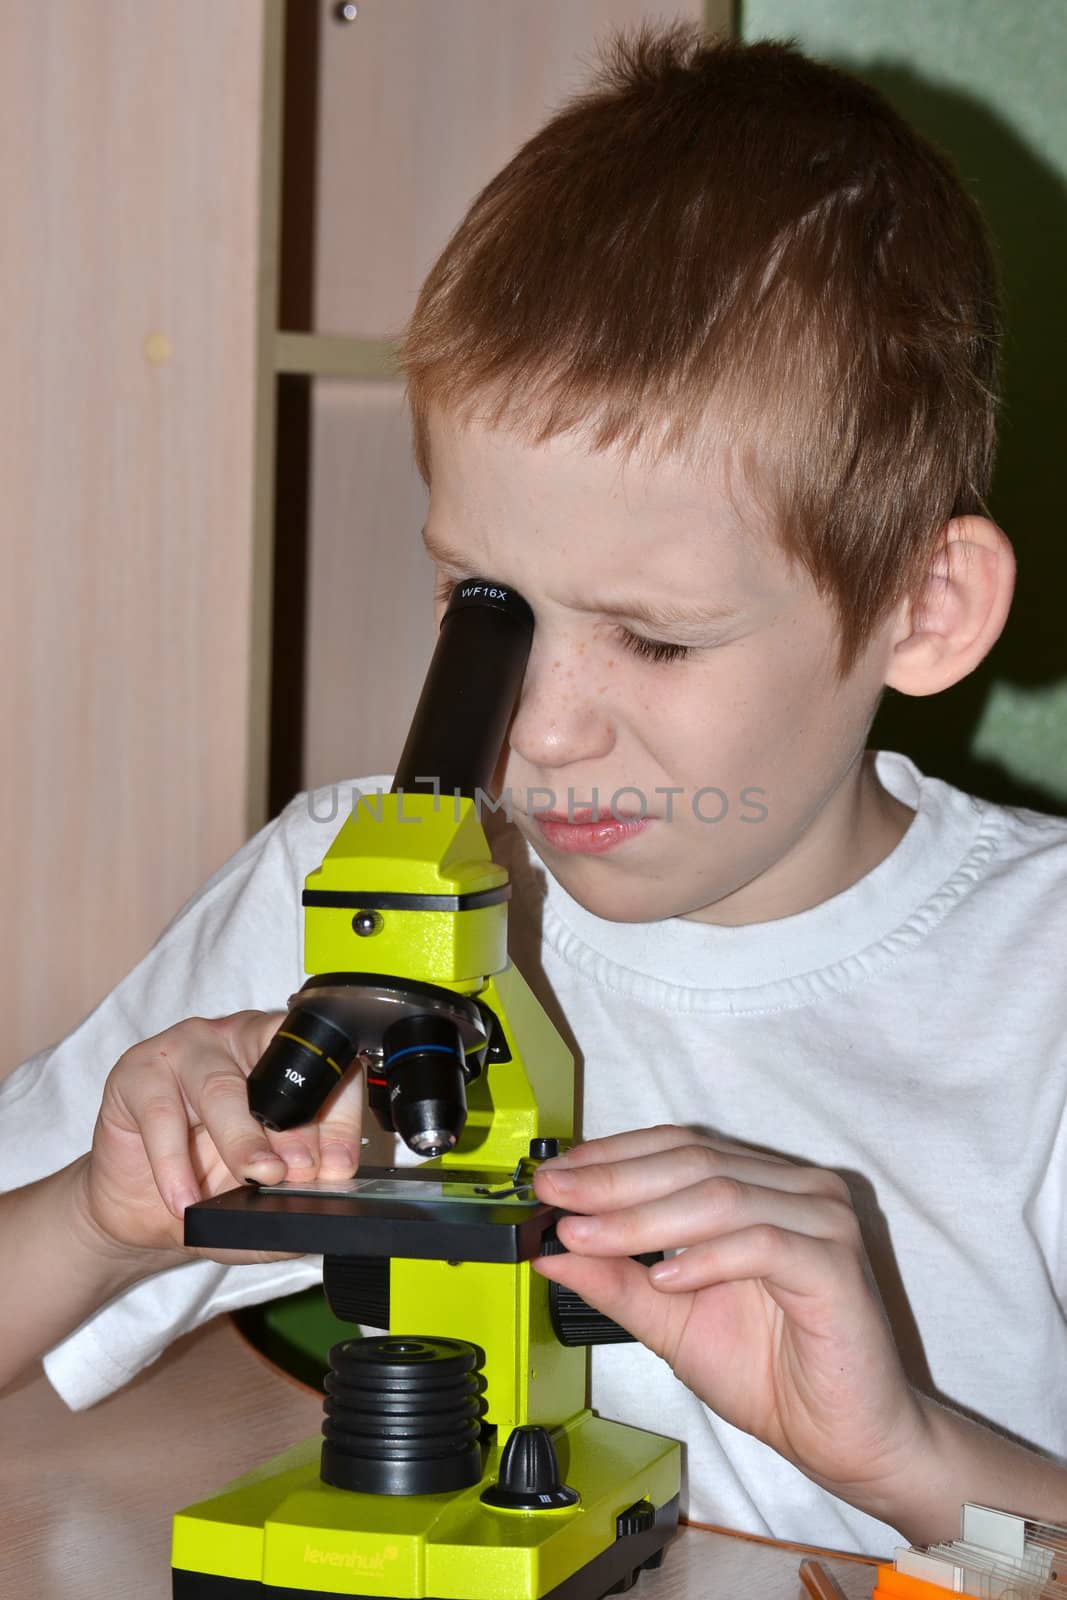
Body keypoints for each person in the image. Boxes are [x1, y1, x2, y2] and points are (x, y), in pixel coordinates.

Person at [2, 25, 1065, 1554]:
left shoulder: (1039, 983)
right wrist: (97, 1220)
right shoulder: (362, 886)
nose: (543, 735)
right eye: (483, 606)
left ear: (921, 608)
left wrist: (910, 1459)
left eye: (652, 635)